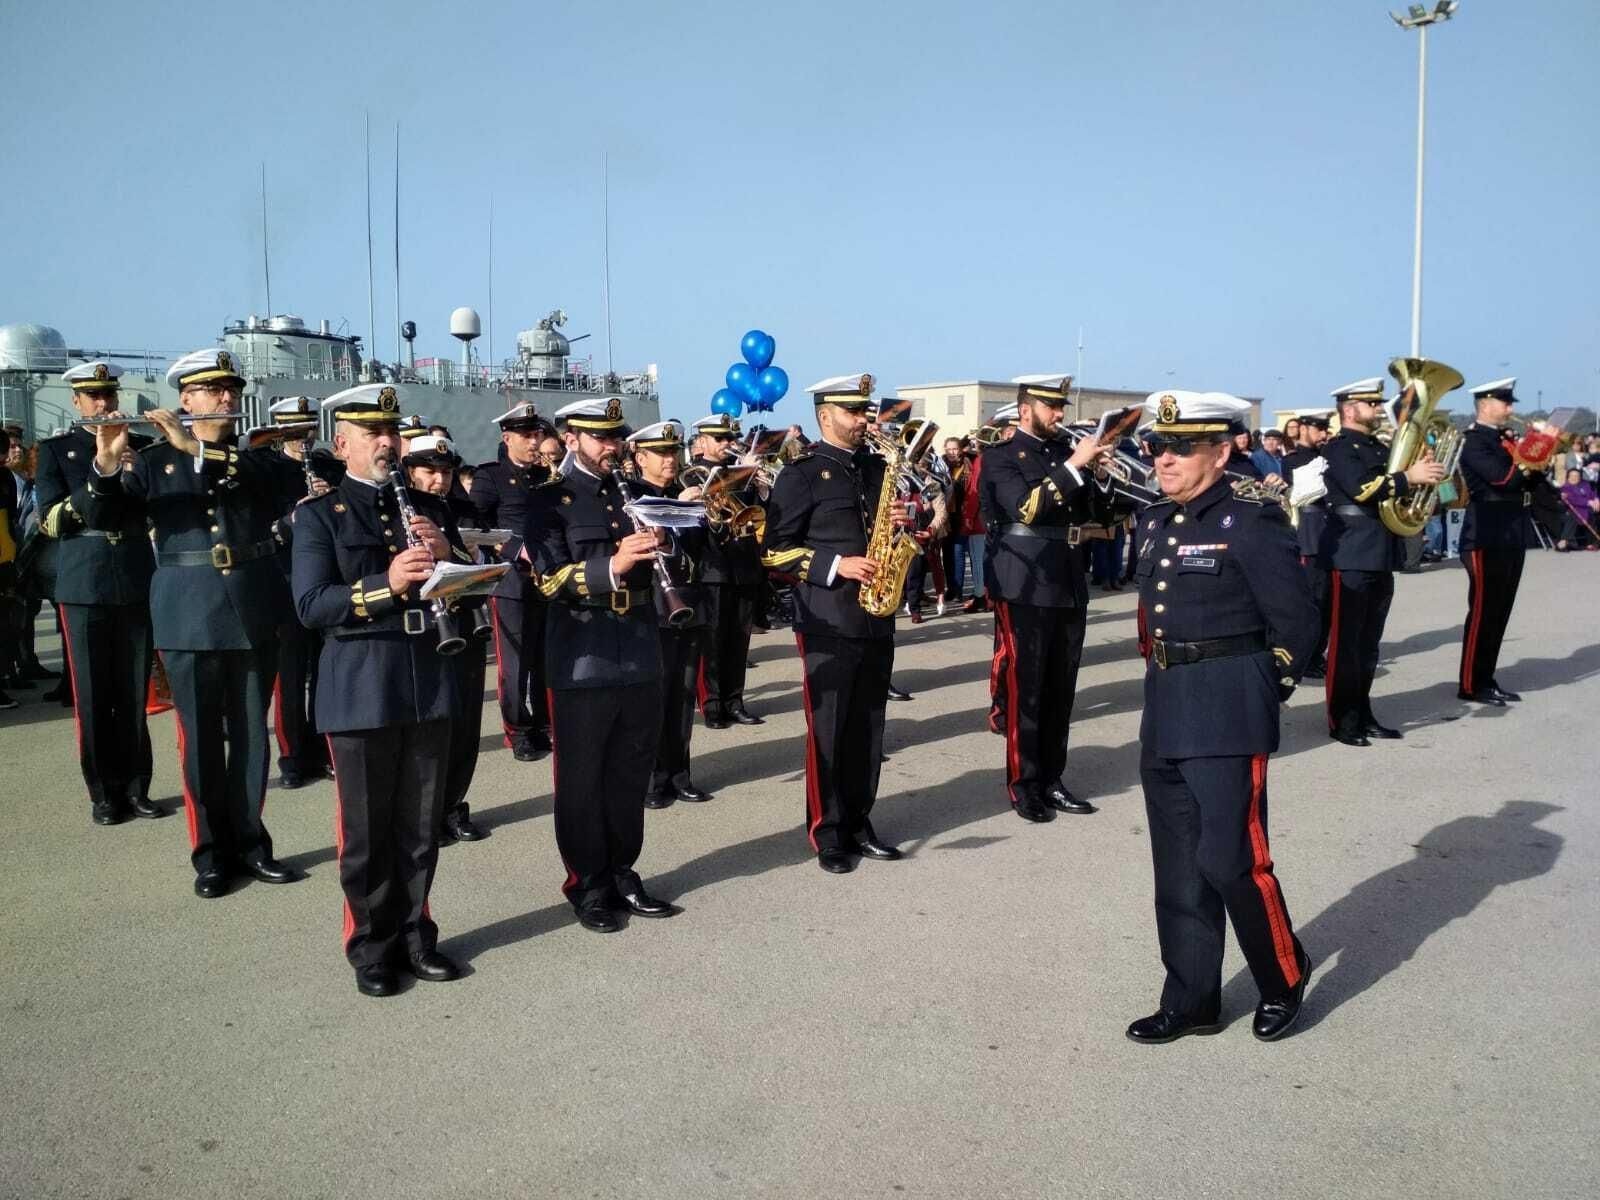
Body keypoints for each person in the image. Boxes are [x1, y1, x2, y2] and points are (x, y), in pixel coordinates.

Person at [1125, 390, 1319, 1045]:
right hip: (1167, 703)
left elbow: (1296, 619)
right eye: (1158, 446)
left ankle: (1283, 978)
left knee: (1232, 859)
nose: (1164, 459)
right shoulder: (1155, 519)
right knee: (1178, 867)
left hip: (1230, 703)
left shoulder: (1251, 517)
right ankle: (1192, 999)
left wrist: (1267, 689)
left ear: (1223, 449)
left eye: (1182, 447)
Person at [81, 349, 297, 897]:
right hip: (187, 611)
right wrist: (106, 465)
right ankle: (210, 854)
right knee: (199, 739)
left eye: (232, 388)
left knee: (251, 736)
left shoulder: (258, 460)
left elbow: (279, 487)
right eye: (213, 389)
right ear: (186, 399)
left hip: (252, 607)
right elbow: (105, 517)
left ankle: (252, 843)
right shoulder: (152, 463)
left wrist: (195, 447)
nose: (228, 397)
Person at [291, 384, 471, 996]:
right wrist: (387, 583)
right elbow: (313, 605)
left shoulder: (425, 506)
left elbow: (470, 585)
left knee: (421, 826)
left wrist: (449, 556)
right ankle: (372, 949)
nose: (388, 443)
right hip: (363, 682)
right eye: (373, 435)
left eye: (392, 433)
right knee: (367, 832)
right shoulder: (319, 515)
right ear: (343, 444)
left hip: (428, 675)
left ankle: (418, 937)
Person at [526, 396, 677, 931]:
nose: (612, 447)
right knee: (583, 778)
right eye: (600, 438)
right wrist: (612, 565)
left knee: (630, 771)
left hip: (638, 644)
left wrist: (666, 543)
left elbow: (680, 561)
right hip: (581, 653)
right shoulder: (546, 501)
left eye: (617, 437)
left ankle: (622, 870)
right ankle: (588, 884)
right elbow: (548, 578)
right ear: (572, 439)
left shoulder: (636, 493)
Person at [761, 372, 904, 874]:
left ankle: (860, 820)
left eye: (865, 411)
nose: (864, 419)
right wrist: (834, 565)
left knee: (868, 726)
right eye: (853, 411)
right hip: (827, 617)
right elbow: (774, 552)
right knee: (830, 726)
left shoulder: (877, 469)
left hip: (875, 612)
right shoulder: (800, 474)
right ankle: (829, 831)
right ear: (826, 416)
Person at [979, 375, 1114, 822]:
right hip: (1024, 582)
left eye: (1061, 406)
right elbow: (1026, 508)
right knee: (1028, 690)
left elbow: (1100, 514)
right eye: (1050, 406)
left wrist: (1100, 475)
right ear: (1025, 409)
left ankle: (1053, 778)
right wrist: (1076, 467)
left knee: (1061, 689)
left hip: (1068, 578)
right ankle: (1024, 783)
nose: (1060, 414)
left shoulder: (1063, 455)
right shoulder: (1000, 456)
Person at [32, 364, 159, 819]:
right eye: (93, 397)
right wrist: (102, 471)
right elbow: (52, 520)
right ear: (77, 402)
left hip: (134, 577)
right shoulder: (57, 452)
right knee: (91, 693)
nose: (103, 404)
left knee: (132, 691)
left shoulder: (141, 449)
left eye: (108, 394)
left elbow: (153, 511)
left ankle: (136, 785)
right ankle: (103, 792)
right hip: (84, 583)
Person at [1320, 376, 1444, 746]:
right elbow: (1364, 489)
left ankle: (1363, 712)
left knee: (1369, 644)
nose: (1378, 409)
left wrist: (1420, 474)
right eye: (1371, 404)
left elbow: (1392, 487)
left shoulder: (1375, 446)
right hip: (1351, 552)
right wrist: (1408, 476)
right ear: (1349, 409)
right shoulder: (1340, 448)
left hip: (1379, 550)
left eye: (1377, 403)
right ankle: (1342, 720)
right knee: (1346, 645)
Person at [403, 429, 490, 842]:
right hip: (426, 629)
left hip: (466, 620)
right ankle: (427, 813)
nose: (439, 480)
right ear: (411, 472)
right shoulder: (402, 508)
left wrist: (468, 552)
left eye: (446, 471)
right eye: (430, 471)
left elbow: (481, 561)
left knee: (467, 722)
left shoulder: (463, 507)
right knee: (431, 729)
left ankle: (455, 804)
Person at [626, 420, 714, 807]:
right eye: (660, 454)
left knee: (682, 695)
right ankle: (650, 778)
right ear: (639, 457)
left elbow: (704, 551)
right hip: (653, 609)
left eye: (673, 452)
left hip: (689, 604)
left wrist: (708, 511)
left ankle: (680, 773)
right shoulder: (630, 496)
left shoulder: (683, 494)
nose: (670, 461)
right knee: (653, 698)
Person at [469, 402, 555, 762]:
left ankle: (543, 723)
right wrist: (514, 547)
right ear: (507, 438)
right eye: (526, 435)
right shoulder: (490, 477)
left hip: (550, 577)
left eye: (537, 434)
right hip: (513, 582)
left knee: (545, 658)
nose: (534, 441)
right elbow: (474, 527)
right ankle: (517, 730)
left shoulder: (546, 476)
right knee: (516, 663)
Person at [259, 396, 338, 789]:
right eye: (294, 431)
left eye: (307, 430)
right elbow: (260, 529)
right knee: (290, 676)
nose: (303, 439)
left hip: (324, 582)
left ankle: (323, 749)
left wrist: (327, 501)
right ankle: (292, 756)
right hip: (285, 580)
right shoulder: (267, 470)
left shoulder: (328, 467)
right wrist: (295, 516)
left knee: (325, 672)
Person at [1456, 378, 1537, 705]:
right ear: (1486, 404)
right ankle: (1470, 684)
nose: (1511, 409)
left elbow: (1532, 478)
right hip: (1486, 534)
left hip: (1511, 531)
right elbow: (1504, 480)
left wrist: (1534, 456)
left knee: (1500, 611)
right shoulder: (1474, 441)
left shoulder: (1504, 440)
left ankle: (1485, 678)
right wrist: (1534, 447)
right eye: (1505, 402)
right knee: (1482, 613)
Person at [688, 413, 765, 729]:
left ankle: (735, 700)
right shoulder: (691, 475)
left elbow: (758, 516)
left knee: (739, 639)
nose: (728, 445)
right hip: (712, 568)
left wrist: (759, 488)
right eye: (720, 439)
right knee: (714, 641)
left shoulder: (740, 473)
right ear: (703, 441)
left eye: (731, 439)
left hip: (744, 564)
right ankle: (712, 704)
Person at [1279, 410, 1333, 678]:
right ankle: (1305, 656)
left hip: (1329, 534)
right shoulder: (1292, 460)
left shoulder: (1328, 456)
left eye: (1326, 429)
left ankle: (1318, 653)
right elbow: (1301, 494)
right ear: (1303, 429)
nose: (1324, 434)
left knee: (1327, 602)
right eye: (1318, 429)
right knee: (1312, 599)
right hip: (1308, 534)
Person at [1557, 467, 1599, 550]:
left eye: (1577, 476)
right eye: (1572, 476)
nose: (1574, 478)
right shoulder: (1565, 487)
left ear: (1580, 477)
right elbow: (1573, 500)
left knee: (1594, 513)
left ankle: (1594, 542)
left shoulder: (1585, 484)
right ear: (1568, 477)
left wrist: (1597, 499)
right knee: (1591, 515)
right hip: (1574, 511)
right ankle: (1593, 542)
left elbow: (1593, 494)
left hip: (1590, 509)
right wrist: (1588, 502)